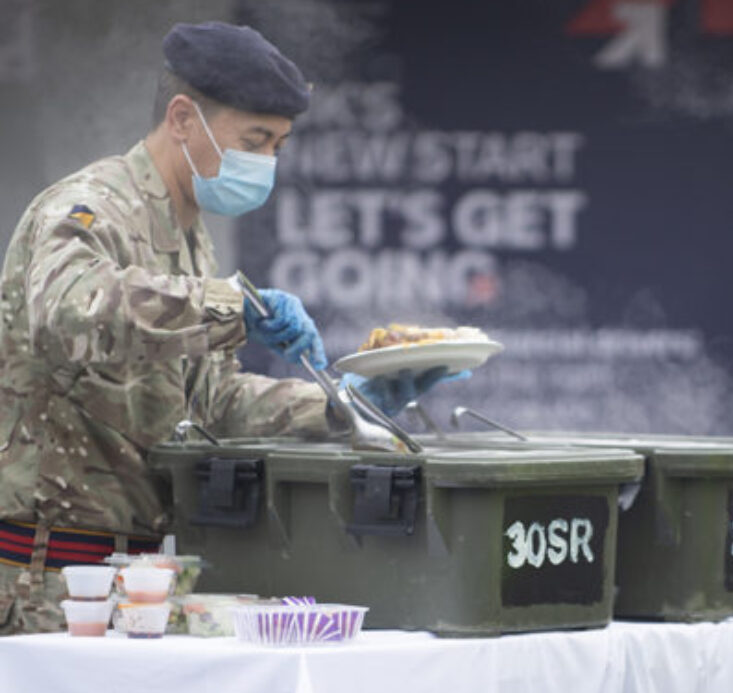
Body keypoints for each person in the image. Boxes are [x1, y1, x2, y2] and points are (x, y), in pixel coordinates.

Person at [0, 21, 441, 634]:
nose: (266, 162)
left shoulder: (190, 239)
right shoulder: (91, 207)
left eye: (278, 146)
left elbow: (210, 404)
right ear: (183, 118)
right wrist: (226, 306)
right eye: (254, 140)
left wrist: (341, 405)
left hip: (137, 585)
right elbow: (66, 310)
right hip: (44, 582)